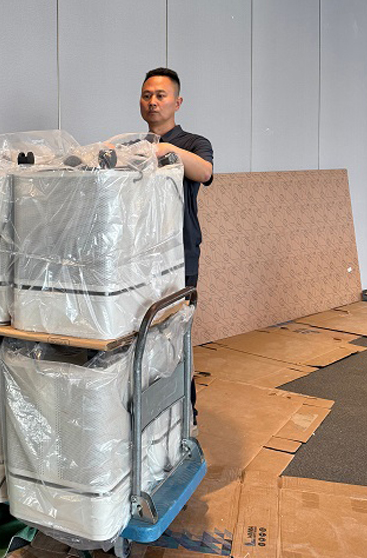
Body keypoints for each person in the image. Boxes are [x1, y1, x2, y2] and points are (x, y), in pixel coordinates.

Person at [140, 67, 214, 430]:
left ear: (177, 102)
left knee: (176, 340)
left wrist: (166, 149)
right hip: (141, 259)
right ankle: (152, 421)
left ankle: (187, 419)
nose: (153, 102)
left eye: (160, 95)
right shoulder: (134, 147)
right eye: (146, 95)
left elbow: (204, 172)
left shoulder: (193, 143)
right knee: (144, 344)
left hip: (180, 256)